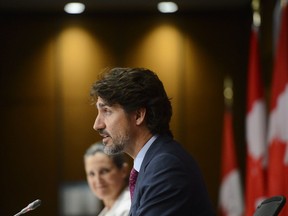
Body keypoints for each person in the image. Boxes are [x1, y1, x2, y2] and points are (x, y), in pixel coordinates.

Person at [90, 67, 215, 215]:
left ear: (138, 115)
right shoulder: (151, 165)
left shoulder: (165, 166)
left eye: (107, 111)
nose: (97, 125)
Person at [84, 142, 131, 216]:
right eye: (91, 174)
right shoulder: (108, 211)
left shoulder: (129, 209)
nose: (97, 180)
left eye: (104, 171)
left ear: (123, 171)